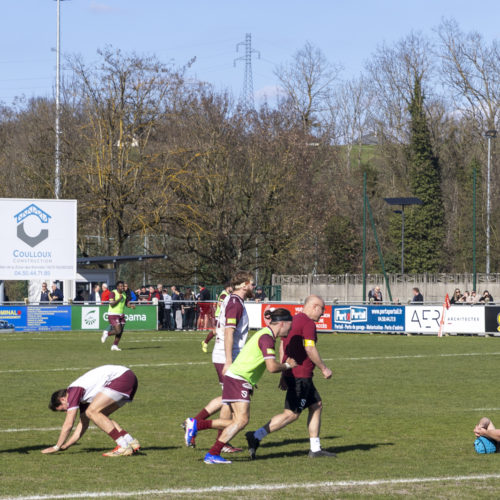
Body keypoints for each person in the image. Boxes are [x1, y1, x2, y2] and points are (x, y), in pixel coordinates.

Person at [185, 309, 298, 464]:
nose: (290, 329)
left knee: (237, 421)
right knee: (242, 420)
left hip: (237, 378)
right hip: (239, 379)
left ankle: (201, 432)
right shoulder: (267, 338)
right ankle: (206, 441)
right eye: (290, 326)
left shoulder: (265, 334)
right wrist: (287, 365)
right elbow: (271, 367)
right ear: (282, 323)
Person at [245, 295, 335, 459]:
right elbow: (310, 348)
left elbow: (282, 347)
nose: (323, 313)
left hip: (294, 373)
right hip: (301, 376)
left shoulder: (294, 320)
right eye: (322, 309)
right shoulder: (308, 323)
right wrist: (324, 368)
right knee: (291, 414)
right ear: (314, 307)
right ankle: (256, 436)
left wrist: (284, 371)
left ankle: (315, 449)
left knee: (316, 405)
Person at [184, 270, 255, 453]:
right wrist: (229, 361)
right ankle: (198, 427)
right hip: (227, 356)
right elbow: (229, 332)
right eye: (252, 283)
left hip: (226, 355)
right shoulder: (235, 303)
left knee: (228, 399)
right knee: (233, 402)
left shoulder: (234, 300)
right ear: (244, 285)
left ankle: (210, 434)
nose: (254, 287)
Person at [41, 364, 140, 457]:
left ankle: (123, 446)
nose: (66, 412)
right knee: (99, 416)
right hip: (130, 378)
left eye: (63, 409)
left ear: (62, 399)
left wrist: (56, 447)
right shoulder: (82, 397)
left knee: (92, 412)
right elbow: (83, 423)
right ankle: (130, 441)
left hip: (122, 378)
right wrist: (66, 445)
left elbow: (68, 424)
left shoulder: (73, 391)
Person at [101, 281, 136, 351]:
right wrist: (119, 299)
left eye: (123, 286)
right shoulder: (113, 293)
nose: (122, 287)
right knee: (118, 331)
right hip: (113, 314)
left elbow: (126, 303)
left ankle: (114, 345)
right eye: (121, 286)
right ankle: (107, 333)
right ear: (117, 287)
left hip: (120, 314)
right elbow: (112, 304)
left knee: (121, 330)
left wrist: (130, 306)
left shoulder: (124, 294)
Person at [202, 283, 233, 353]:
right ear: (228, 287)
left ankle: (206, 342)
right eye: (231, 287)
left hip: (224, 316)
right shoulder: (224, 295)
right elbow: (220, 304)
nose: (232, 288)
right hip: (219, 316)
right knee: (219, 331)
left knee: (219, 331)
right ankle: (206, 342)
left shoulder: (228, 295)